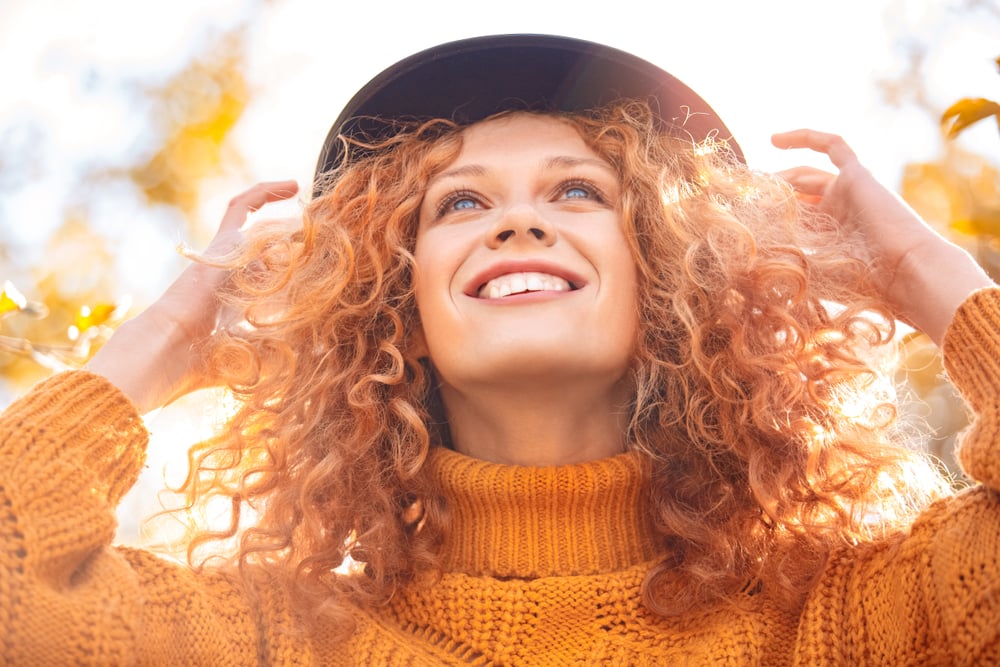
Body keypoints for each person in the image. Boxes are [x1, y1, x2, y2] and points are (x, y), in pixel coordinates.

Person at [1, 34, 997, 665]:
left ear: (673, 276)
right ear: (389, 298)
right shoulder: (268, 640)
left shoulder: (851, 617)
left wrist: (924, 272)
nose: (517, 223)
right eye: (462, 202)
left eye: (577, 192)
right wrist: (168, 336)